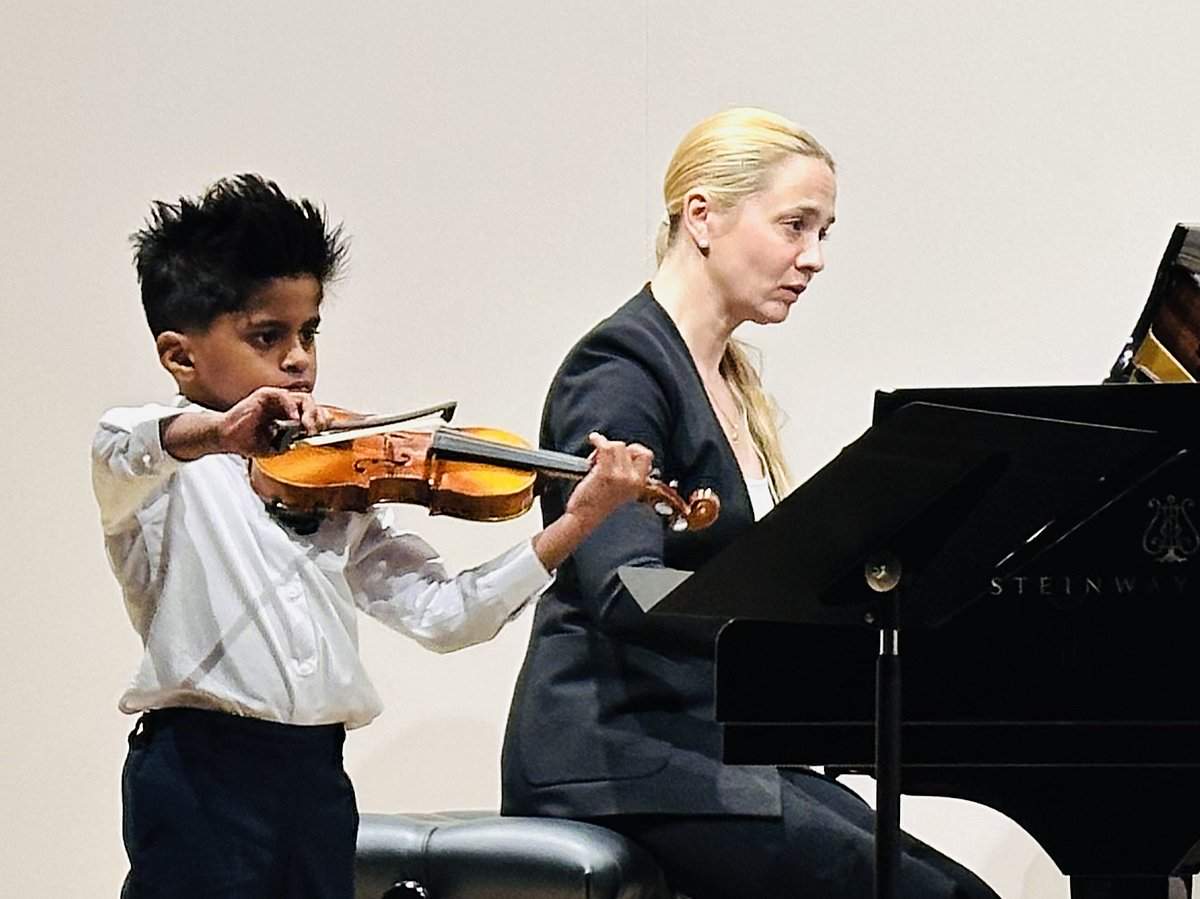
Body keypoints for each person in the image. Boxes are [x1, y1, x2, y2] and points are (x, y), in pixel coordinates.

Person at [92, 173, 654, 899]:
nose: (299, 359)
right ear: (180, 355)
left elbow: (448, 617)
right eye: (268, 335)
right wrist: (223, 431)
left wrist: (578, 520)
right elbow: (130, 443)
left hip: (316, 777)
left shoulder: (332, 483)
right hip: (202, 773)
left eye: (309, 332)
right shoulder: (157, 471)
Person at [500, 108, 999, 898]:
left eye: (825, 231)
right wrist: (784, 617)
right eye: (795, 225)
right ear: (702, 216)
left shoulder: (730, 377)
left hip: (706, 750)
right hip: (620, 759)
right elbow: (623, 584)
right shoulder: (621, 367)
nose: (815, 257)